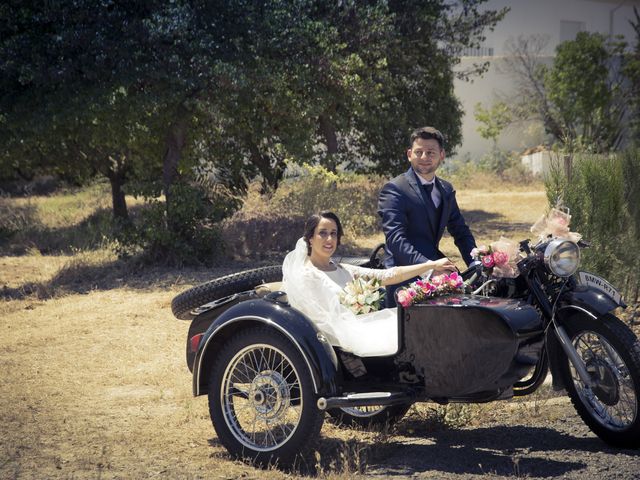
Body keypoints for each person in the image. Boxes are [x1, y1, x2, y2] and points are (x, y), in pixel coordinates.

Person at [281, 211, 456, 357]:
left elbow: (388, 275)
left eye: (334, 233)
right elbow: (316, 321)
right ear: (310, 238)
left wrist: (430, 265)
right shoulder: (306, 274)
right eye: (323, 233)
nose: (329, 239)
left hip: (357, 325)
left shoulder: (343, 269)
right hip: (338, 337)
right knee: (398, 331)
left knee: (411, 322)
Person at [377, 126, 476, 307]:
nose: (424, 157)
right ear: (409, 154)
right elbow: (395, 239)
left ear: (442, 155)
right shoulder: (395, 189)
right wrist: (428, 267)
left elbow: (461, 232)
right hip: (403, 276)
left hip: (437, 272)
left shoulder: (446, 189)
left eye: (430, 152)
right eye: (419, 152)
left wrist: (477, 263)